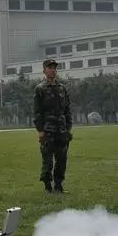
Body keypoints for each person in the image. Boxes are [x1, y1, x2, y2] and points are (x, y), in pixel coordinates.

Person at [33, 59, 73, 193]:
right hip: (48, 130)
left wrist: (68, 127)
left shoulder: (62, 88)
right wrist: (40, 130)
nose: (53, 70)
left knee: (62, 160)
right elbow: (37, 112)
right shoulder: (40, 89)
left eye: (54, 68)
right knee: (48, 161)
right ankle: (47, 186)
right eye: (50, 67)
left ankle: (59, 185)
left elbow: (67, 109)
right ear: (44, 70)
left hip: (62, 130)